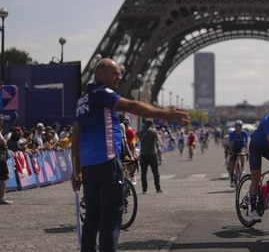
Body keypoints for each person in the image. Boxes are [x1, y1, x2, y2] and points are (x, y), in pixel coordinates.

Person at [70, 58, 189, 252]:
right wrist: (166, 114)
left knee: (92, 219)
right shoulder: (102, 93)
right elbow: (131, 106)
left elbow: (75, 136)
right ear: (100, 75)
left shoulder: (82, 100)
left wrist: (77, 170)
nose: (119, 77)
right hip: (107, 163)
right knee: (111, 217)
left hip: (89, 167)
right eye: (114, 73)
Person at [137, 118, 162, 194]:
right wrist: (153, 128)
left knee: (143, 173)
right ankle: (157, 188)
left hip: (143, 154)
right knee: (155, 172)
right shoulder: (153, 131)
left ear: (144, 123)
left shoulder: (141, 132)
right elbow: (158, 139)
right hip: (152, 154)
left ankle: (144, 189)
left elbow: (139, 138)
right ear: (151, 124)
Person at [227, 120, 249, 187]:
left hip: (241, 147)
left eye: (239, 127)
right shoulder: (232, 134)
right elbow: (230, 143)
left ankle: (242, 166)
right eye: (237, 127)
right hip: (234, 147)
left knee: (242, 153)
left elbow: (246, 143)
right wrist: (230, 151)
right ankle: (232, 178)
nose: (238, 128)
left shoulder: (244, 133)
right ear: (235, 127)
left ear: (241, 127)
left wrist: (247, 151)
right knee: (232, 163)